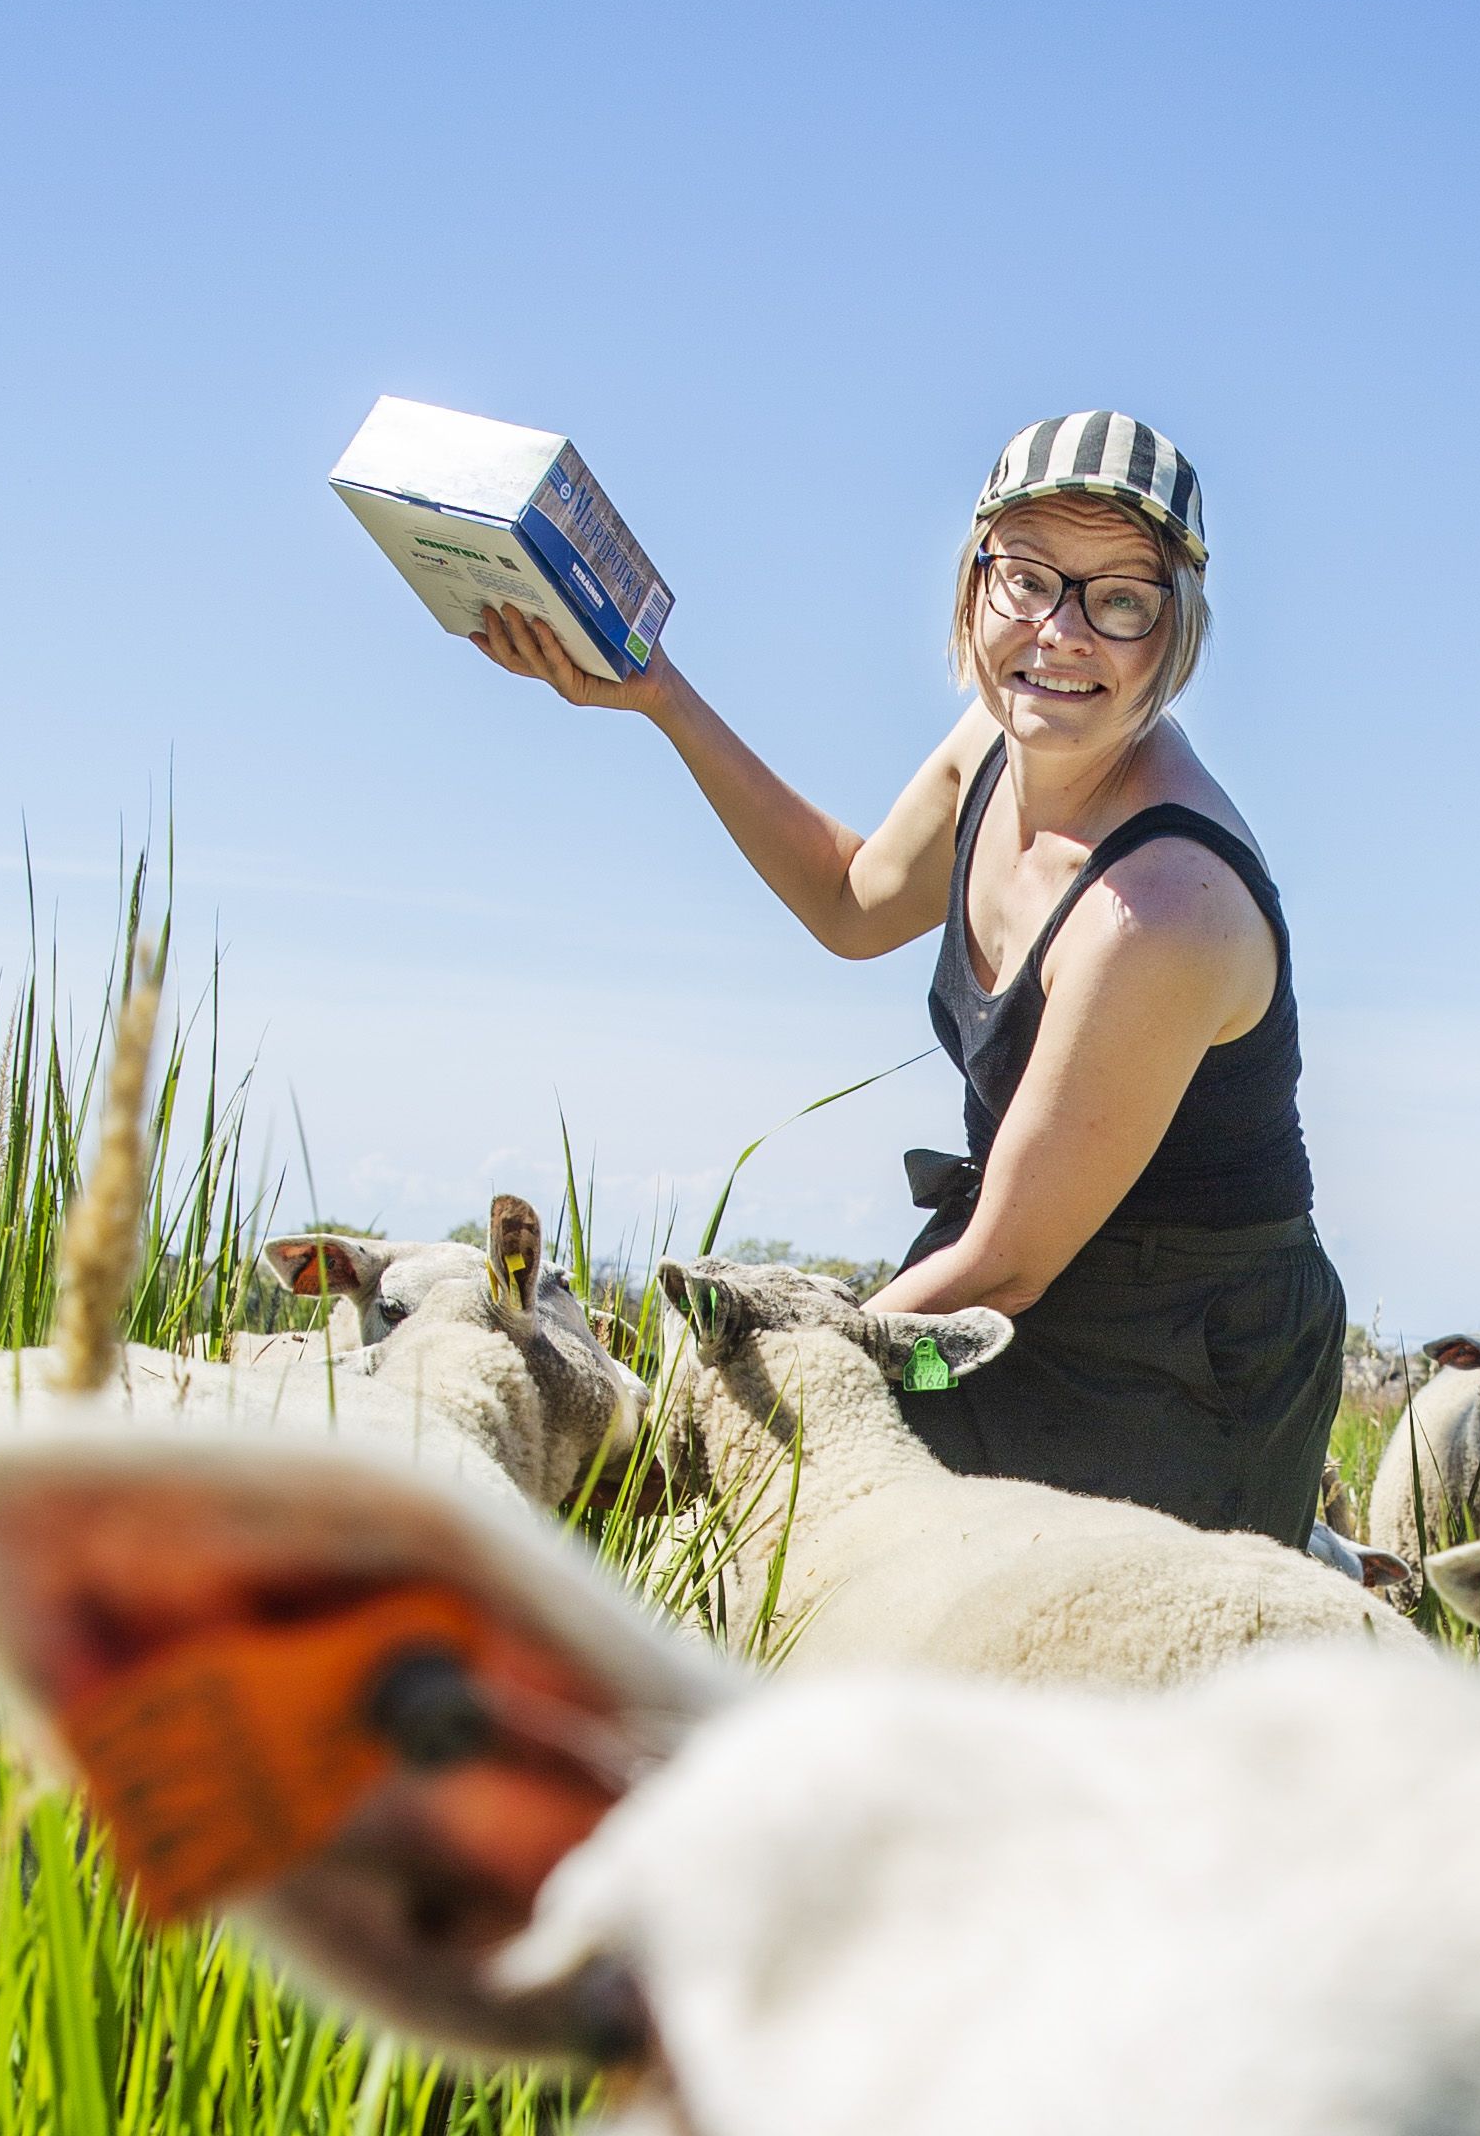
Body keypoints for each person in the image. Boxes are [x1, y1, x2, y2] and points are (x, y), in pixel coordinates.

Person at [471, 410, 1345, 1546]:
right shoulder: (993, 742)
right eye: (1027, 578)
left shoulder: (1164, 907)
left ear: (1176, 632)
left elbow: (1008, 1265)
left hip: (1174, 1359)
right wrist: (660, 695)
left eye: (1120, 599)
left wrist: (733, 1387)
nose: (1062, 633)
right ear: (974, 583)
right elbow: (850, 902)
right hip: (1009, 1284)